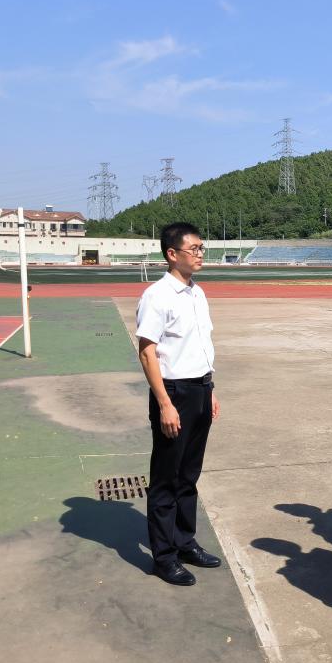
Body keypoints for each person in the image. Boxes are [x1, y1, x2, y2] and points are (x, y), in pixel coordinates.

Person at [135, 222, 222, 586]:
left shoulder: (196, 293)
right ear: (172, 254)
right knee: (166, 479)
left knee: (189, 476)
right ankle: (164, 557)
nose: (200, 254)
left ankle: (185, 542)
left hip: (200, 390)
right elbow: (147, 352)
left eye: (202, 248)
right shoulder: (157, 296)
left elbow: (199, 346)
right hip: (174, 394)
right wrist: (165, 404)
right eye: (194, 249)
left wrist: (209, 388)